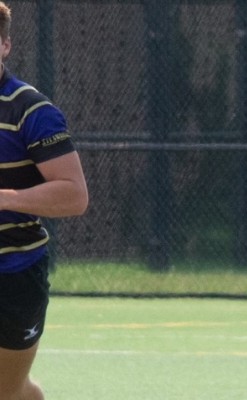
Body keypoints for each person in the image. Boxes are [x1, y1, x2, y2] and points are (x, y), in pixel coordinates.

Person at [0, 2, 89, 399]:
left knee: (10, 390)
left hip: (14, 273)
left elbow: (74, 195)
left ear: (4, 46)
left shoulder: (31, 109)